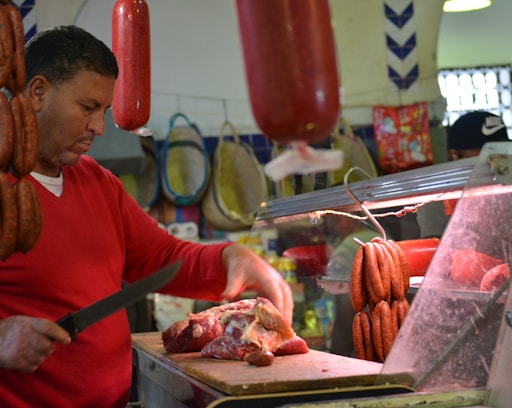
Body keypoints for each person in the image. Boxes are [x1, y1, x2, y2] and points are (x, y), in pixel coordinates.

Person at [0, 25, 293, 407]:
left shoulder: (99, 183)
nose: (99, 128)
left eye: (103, 111)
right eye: (87, 108)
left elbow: (160, 257)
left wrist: (230, 258)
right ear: (38, 93)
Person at [417, 111, 511, 238]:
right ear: (455, 156)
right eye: (488, 155)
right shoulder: (436, 200)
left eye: (504, 153)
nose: (497, 161)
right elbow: (438, 252)